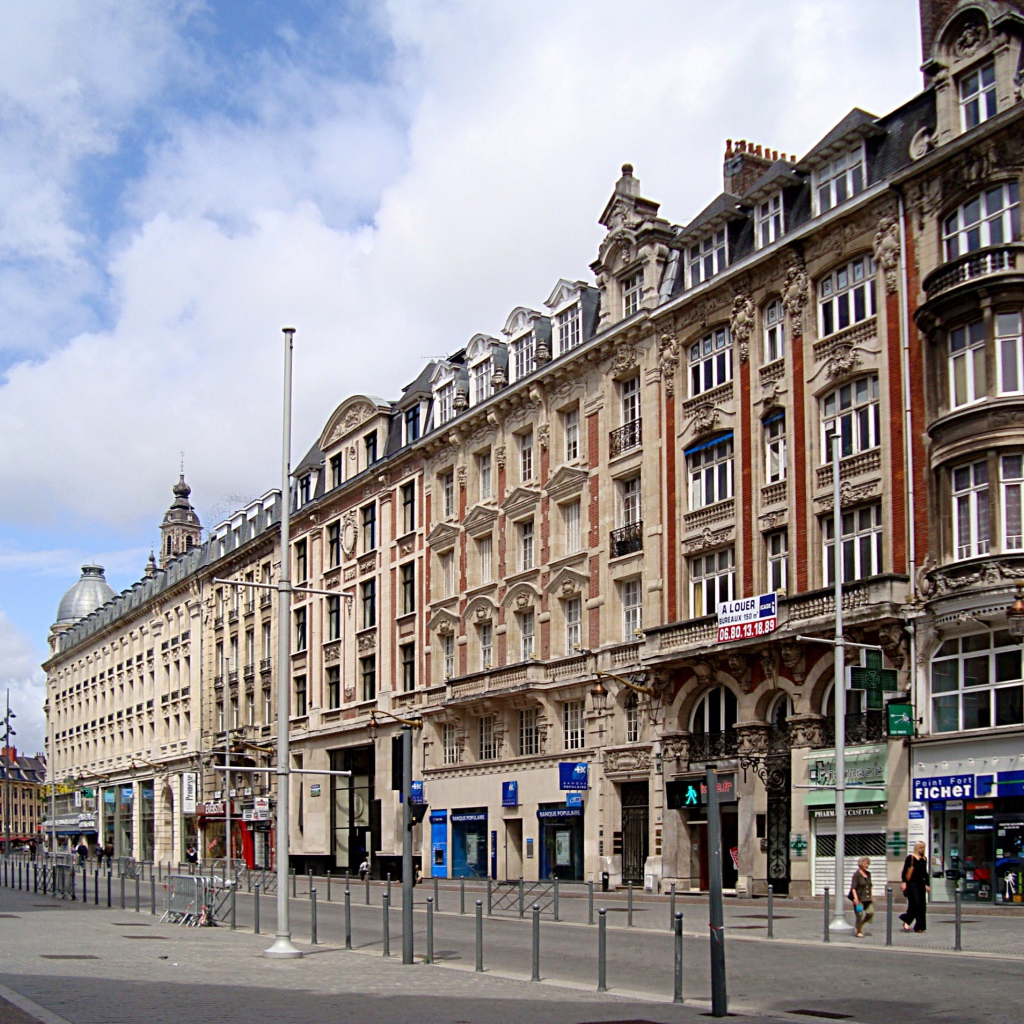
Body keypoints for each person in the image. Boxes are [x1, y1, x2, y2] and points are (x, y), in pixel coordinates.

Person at [900, 840, 930, 933]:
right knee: (915, 903)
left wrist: (927, 884)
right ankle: (907, 920)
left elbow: (925, 873)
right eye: (921, 847)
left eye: (923, 847)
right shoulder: (911, 858)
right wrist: (904, 882)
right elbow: (905, 871)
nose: (922, 849)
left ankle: (920, 926)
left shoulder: (924, 858)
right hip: (912, 883)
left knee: (921, 905)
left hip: (921, 883)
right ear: (917, 848)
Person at [848, 856, 874, 937]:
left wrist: (871, 896)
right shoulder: (856, 875)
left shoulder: (868, 874)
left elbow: (870, 886)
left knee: (870, 913)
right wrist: (855, 898)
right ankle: (859, 931)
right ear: (860, 864)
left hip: (867, 898)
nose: (866, 865)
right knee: (859, 914)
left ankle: (861, 924)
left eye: (867, 863)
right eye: (864, 863)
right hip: (859, 899)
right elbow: (853, 887)